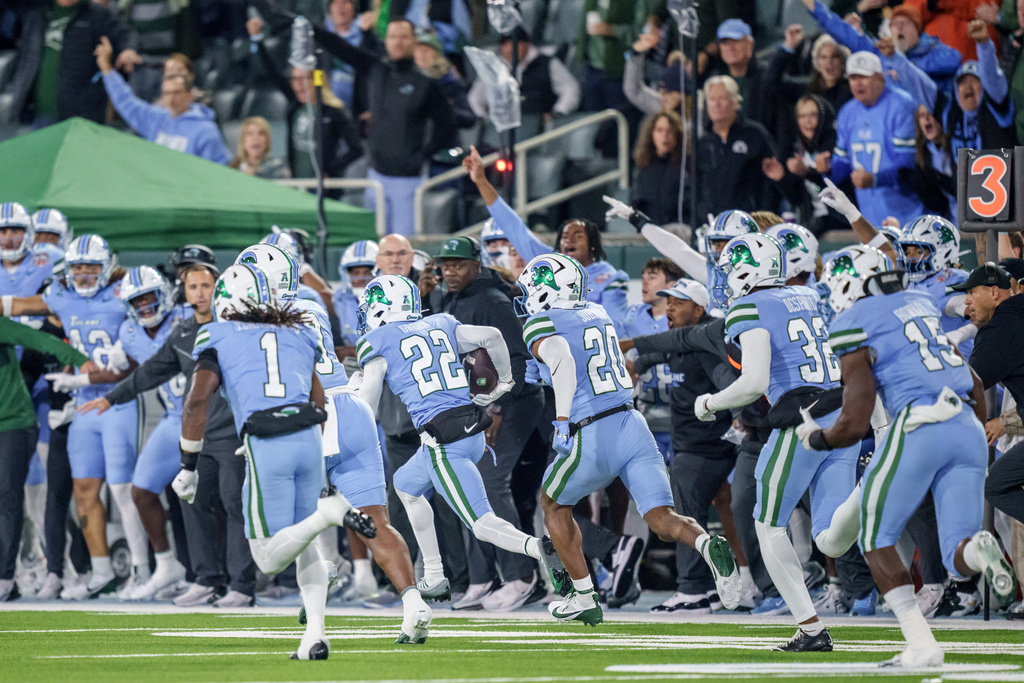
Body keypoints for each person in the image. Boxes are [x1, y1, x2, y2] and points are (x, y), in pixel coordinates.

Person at [810, 247, 1015, 666]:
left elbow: (855, 418)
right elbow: (973, 379)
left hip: (920, 425)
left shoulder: (854, 321)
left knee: (875, 538)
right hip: (966, 426)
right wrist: (974, 426)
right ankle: (980, 549)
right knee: (958, 555)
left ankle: (922, 646)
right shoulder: (919, 304)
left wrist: (817, 441)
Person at [515, 252, 741, 626]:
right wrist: (544, 375)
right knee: (661, 518)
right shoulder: (597, 313)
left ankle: (584, 596)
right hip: (632, 423)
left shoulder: (542, 320)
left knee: (553, 505)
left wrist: (559, 418)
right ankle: (706, 543)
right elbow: (587, 363)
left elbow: (566, 364)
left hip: (593, 428)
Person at [172, 263, 376, 659]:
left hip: (268, 441)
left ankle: (328, 513)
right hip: (308, 437)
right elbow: (317, 400)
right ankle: (315, 635)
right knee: (306, 550)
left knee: (266, 557)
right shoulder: (298, 329)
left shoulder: (217, 333)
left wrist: (187, 464)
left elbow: (197, 400)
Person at [235, 243, 430, 637]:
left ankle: (319, 599)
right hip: (353, 408)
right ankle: (414, 603)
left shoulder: (257, 322)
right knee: (377, 522)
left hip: (312, 415)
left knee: (297, 522)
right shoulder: (310, 304)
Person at [351, 273, 568, 621]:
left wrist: (353, 407)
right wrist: (505, 382)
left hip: (444, 440)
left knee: (482, 524)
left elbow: (369, 401)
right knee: (406, 486)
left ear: (379, 308)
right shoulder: (440, 322)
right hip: (469, 428)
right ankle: (434, 575)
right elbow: (492, 336)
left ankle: (540, 548)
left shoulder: (377, 340)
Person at [693, 233, 861, 652]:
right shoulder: (806, 295)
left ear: (750, 270)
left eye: (731, 267)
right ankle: (870, 491)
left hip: (799, 424)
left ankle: (810, 629)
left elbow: (753, 383)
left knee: (768, 524)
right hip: (841, 412)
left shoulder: (748, 306)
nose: (726, 276)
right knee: (829, 538)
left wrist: (711, 402)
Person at [78, 262, 259, 608]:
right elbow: (151, 371)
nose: (200, 293)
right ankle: (206, 579)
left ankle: (243, 585)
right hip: (197, 434)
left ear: (218, 287)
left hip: (235, 432)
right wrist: (110, 397)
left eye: (206, 286)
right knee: (191, 499)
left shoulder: (238, 327)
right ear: (184, 292)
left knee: (235, 503)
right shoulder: (184, 332)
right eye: (193, 287)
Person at [2, 235, 151, 600]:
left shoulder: (123, 292)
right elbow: (18, 305)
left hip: (121, 398)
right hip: (82, 403)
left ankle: (145, 571)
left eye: (91, 267)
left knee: (125, 490)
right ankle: (100, 571)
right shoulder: (60, 296)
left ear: (107, 267)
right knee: (83, 492)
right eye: (78, 268)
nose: (84, 274)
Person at [252, 2, 457, 236]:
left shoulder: (426, 85)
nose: (398, 42)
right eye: (393, 37)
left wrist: (422, 155)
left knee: (403, 246)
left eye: (404, 37)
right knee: (378, 247)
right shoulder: (375, 70)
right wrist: (302, 24)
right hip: (376, 177)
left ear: (413, 41)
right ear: (386, 41)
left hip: (408, 181)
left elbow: (447, 126)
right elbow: (337, 45)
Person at [421, 237, 548, 612]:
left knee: (490, 483)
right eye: (446, 264)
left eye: (459, 264)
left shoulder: (493, 300)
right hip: (476, 406)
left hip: (514, 404)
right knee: (465, 483)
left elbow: (521, 361)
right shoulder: (446, 299)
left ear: (477, 264)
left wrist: (497, 408)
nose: (451, 271)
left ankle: (521, 576)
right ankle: (482, 577)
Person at [622, 279, 742, 614]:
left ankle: (693, 590)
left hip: (705, 447)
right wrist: (637, 365)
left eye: (678, 303)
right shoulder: (684, 342)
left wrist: (736, 413)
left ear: (699, 309)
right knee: (718, 511)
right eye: (668, 302)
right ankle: (723, 586)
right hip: (698, 444)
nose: (669, 309)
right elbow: (661, 350)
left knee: (686, 514)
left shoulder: (704, 344)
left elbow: (727, 381)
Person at [76, 266, 190, 600]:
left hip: (209, 418)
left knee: (211, 499)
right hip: (172, 418)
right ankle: (167, 565)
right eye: (135, 300)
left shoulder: (185, 316)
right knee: (141, 491)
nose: (143, 305)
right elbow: (137, 370)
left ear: (164, 294)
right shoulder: (129, 331)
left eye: (148, 296)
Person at [463, 145, 630, 332]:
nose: (569, 241)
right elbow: (511, 224)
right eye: (565, 236)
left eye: (578, 236)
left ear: (593, 245)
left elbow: (616, 328)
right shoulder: (549, 261)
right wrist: (481, 181)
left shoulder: (610, 278)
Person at [0, 315, 89, 601]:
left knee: (9, 498)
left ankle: (5, 576)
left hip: (13, 424)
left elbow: (41, 341)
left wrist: (82, 361)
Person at [246, 17, 365, 182]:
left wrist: (331, 170)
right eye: (295, 79)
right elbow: (273, 73)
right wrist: (258, 40)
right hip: (298, 184)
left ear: (317, 80)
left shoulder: (333, 111)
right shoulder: (296, 104)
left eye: (304, 79)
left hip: (323, 188)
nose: (299, 85)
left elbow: (356, 149)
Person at [823, 51, 924, 228]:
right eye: (853, 77)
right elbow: (843, 165)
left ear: (880, 78)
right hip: (870, 218)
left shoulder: (901, 105)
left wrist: (874, 180)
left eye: (864, 76)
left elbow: (909, 167)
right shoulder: (847, 112)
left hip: (908, 215)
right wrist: (826, 169)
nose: (858, 83)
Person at [958, 263, 1024, 525]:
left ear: (995, 292)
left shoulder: (1000, 329)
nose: (967, 301)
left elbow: (964, 384)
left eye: (972, 292)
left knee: (995, 485)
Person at [8, 0, 140, 126]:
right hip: (36, 114)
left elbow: (126, 34)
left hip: (80, 117)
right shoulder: (35, 9)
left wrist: (128, 49)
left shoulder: (96, 14)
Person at [97, 40, 230, 164]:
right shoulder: (156, 118)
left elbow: (222, 171)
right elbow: (126, 101)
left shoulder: (205, 130)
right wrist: (107, 69)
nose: (172, 98)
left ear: (189, 95)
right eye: (167, 93)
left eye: (177, 93)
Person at [801, 1, 962, 93]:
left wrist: (907, 68)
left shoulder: (934, 49)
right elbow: (842, 31)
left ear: (917, 30)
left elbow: (954, 59)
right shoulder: (881, 53)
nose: (899, 28)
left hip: (936, 126)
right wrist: (813, 5)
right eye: (895, 25)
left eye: (905, 23)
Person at [621, 258, 684, 460]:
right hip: (646, 415)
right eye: (643, 277)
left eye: (652, 277)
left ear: (671, 285)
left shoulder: (686, 318)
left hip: (681, 417)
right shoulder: (632, 316)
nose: (644, 282)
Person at [697, 76, 781, 220]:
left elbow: (771, 181)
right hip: (713, 225)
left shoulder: (755, 135)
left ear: (735, 102)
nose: (716, 104)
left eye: (722, 99)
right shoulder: (703, 142)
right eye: (712, 99)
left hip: (750, 223)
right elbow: (697, 186)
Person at [468, 27, 580, 121]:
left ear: (526, 44)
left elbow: (570, 88)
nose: (510, 49)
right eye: (506, 44)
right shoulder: (493, 70)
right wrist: (484, 118)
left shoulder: (547, 63)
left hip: (540, 127)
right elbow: (475, 97)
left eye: (515, 44)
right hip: (504, 129)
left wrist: (558, 112)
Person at [631, 111, 684, 226]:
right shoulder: (643, 166)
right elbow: (637, 202)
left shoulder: (686, 165)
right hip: (650, 230)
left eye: (669, 130)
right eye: (659, 130)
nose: (665, 135)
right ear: (651, 133)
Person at [334, 240, 378, 347]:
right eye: (356, 273)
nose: (361, 278)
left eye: (367, 272)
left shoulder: (388, 296)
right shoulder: (340, 297)